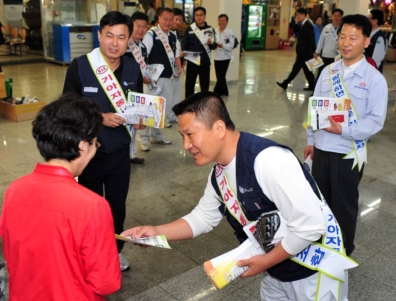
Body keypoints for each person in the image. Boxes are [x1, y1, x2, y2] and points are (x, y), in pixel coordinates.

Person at [121, 91, 355, 301]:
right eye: (183, 136)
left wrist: (264, 261)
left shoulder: (268, 161)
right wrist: (156, 231)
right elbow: (202, 218)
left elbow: (311, 225)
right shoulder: (219, 172)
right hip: (277, 271)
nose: (186, 145)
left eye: (190, 134)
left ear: (219, 129)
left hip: (314, 274)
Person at [0, 93, 121, 300]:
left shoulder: (15, 189)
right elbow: (106, 282)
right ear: (83, 146)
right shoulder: (93, 205)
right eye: (95, 144)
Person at [62, 11, 143, 271]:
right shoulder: (80, 66)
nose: (114, 42)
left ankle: (114, 252)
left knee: (117, 207)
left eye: (121, 37)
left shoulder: (133, 68)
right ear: (99, 35)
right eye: (109, 35)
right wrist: (99, 117)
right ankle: (89, 254)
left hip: (120, 151)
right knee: (90, 209)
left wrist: (142, 118)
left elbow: (137, 105)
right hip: (90, 153)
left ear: (129, 39)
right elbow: (67, 108)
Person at [304, 14, 388, 256]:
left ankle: (341, 250)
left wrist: (344, 130)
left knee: (344, 206)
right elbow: (315, 106)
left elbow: (375, 121)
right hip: (321, 148)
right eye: (343, 37)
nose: (346, 43)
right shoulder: (328, 72)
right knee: (320, 202)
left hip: (348, 154)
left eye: (353, 37)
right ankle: (321, 244)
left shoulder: (374, 80)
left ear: (366, 41)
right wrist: (311, 140)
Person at [138, 7, 182, 151]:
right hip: (153, 79)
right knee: (148, 108)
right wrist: (144, 74)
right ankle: (144, 139)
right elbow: (143, 56)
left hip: (168, 78)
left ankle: (157, 136)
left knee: (161, 109)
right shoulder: (151, 35)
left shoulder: (173, 36)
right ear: (159, 18)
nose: (168, 22)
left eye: (171, 19)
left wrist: (178, 67)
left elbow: (176, 55)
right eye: (165, 19)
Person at [125, 11, 150, 164]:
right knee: (126, 122)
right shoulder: (126, 46)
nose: (141, 29)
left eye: (144, 27)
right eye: (138, 26)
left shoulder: (143, 47)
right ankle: (125, 154)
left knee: (134, 122)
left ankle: (131, 154)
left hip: (138, 90)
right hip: (125, 90)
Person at [277, 8, 315, 91]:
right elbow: (296, 32)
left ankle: (285, 83)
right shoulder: (302, 24)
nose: (297, 16)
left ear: (303, 15)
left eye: (298, 15)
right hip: (301, 51)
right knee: (307, 70)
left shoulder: (308, 25)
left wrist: (313, 51)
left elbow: (312, 39)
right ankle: (313, 86)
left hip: (304, 53)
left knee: (295, 69)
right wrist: (296, 23)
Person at [182, 6, 217, 98]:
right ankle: (188, 105)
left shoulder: (210, 29)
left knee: (205, 86)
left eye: (201, 15)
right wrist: (182, 60)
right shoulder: (189, 29)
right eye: (196, 15)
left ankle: (203, 105)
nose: (198, 17)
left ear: (205, 16)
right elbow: (184, 46)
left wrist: (211, 43)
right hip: (192, 62)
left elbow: (214, 46)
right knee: (189, 85)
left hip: (205, 62)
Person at [166, 7, 185, 124]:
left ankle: (172, 115)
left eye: (180, 20)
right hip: (167, 69)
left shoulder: (176, 34)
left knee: (177, 93)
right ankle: (165, 117)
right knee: (168, 93)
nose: (177, 22)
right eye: (176, 19)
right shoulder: (164, 33)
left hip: (177, 67)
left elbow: (176, 52)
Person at [314, 9, 343, 81]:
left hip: (337, 57)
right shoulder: (327, 28)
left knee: (334, 77)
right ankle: (316, 91)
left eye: (338, 16)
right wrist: (317, 52)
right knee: (321, 75)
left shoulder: (343, 28)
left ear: (341, 17)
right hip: (325, 56)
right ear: (332, 17)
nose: (336, 18)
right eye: (334, 16)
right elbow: (321, 41)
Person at [213, 14, 235, 97]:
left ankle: (216, 92)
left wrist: (223, 45)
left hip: (225, 57)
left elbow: (231, 45)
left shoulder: (230, 32)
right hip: (216, 57)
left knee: (221, 76)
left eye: (223, 21)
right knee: (219, 76)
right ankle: (225, 91)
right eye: (220, 20)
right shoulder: (215, 31)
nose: (221, 22)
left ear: (227, 22)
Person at [366, 9, 387, 73]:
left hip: (371, 71)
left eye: (369, 18)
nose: (367, 20)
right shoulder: (369, 34)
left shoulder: (379, 38)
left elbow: (376, 60)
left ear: (375, 21)